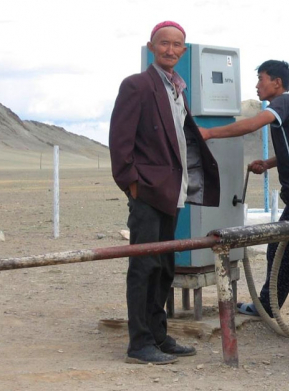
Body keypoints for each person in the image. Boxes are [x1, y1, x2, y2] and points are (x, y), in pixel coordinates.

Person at [199, 60, 289, 339]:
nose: (256, 85)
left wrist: (210, 133)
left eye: (261, 79)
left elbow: (253, 124)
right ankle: (266, 305)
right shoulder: (286, 109)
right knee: (279, 250)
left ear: (277, 82)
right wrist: (269, 162)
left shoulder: (284, 102)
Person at [109, 21, 220, 364]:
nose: (170, 50)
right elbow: (120, 141)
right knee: (144, 267)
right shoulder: (137, 85)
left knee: (164, 267)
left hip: (172, 193)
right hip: (148, 193)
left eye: (177, 45)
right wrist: (133, 185)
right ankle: (139, 344)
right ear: (151, 47)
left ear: (184, 51)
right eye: (163, 44)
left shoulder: (177, 88)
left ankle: (158, 335)